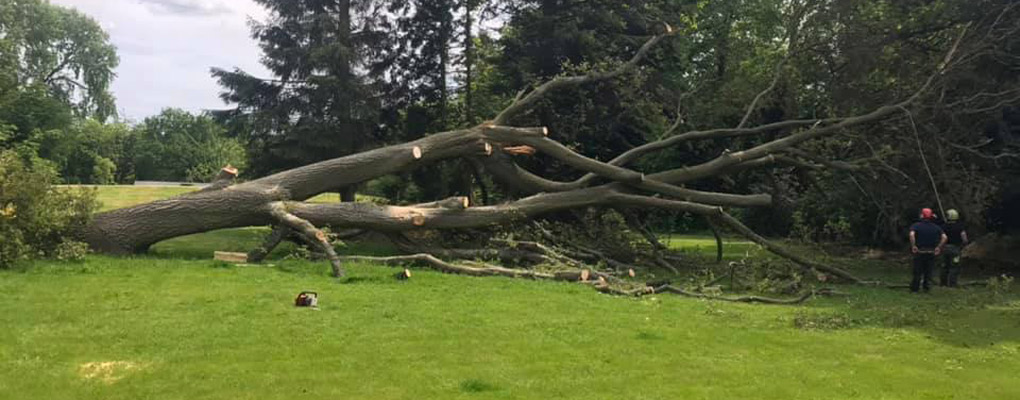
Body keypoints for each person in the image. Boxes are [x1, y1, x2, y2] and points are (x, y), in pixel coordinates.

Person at [909, 208, 947, 293]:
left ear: (922, 215)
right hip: (931, 251)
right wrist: (938, 247)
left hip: (920, 251)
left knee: (917, 271)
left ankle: (915, 288)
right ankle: (926, 287)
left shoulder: (916, 225)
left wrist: (914, 245)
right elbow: (944, 237)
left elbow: (912, 234)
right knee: (928, 271)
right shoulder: (936, 227)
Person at [939, 209, 969, 287]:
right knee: (954, 267)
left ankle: (943, 283)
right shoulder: (960, 227)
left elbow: (940, 237)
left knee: (944, 266)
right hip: (955, 249)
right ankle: (952, 284)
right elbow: (964, 238)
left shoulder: (943, 227)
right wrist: (964, 245)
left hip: (944, 249)